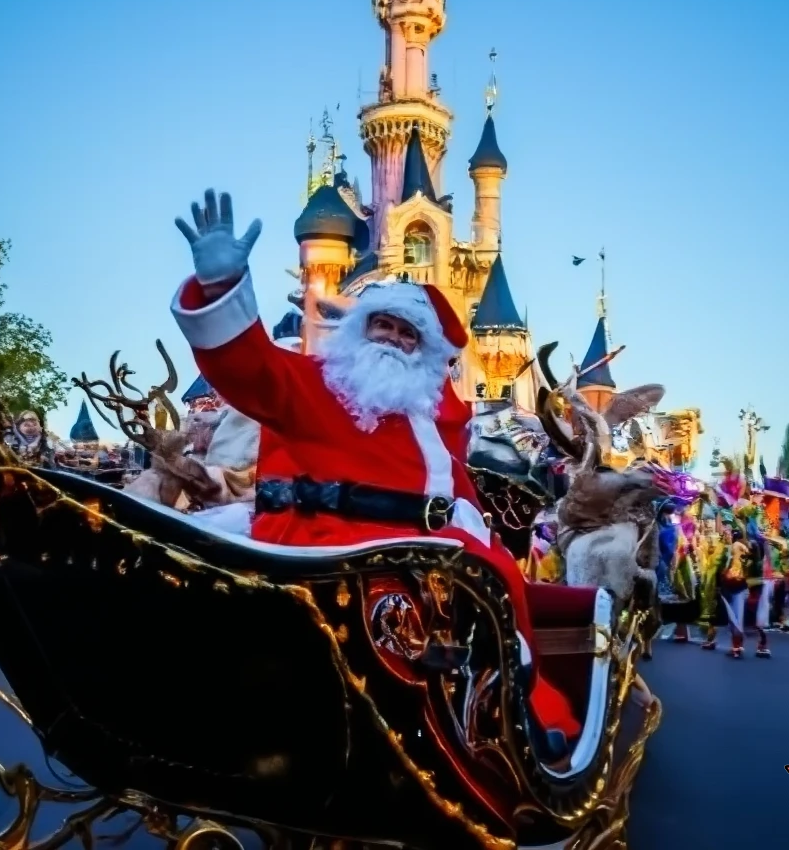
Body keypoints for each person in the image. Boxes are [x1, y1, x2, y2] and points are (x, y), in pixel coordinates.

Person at [171, 189, 580, 748]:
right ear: (359, 332)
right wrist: (221, 289)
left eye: (406, 332)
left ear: (425, 354)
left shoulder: (432, 425)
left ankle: (511, 716)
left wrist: (485, 553)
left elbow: (462, 502)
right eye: (381, 326)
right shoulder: (313, 382)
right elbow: (248, 367)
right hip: (304, 550)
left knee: (496, 581)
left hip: (407, 563)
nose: (391, 338)